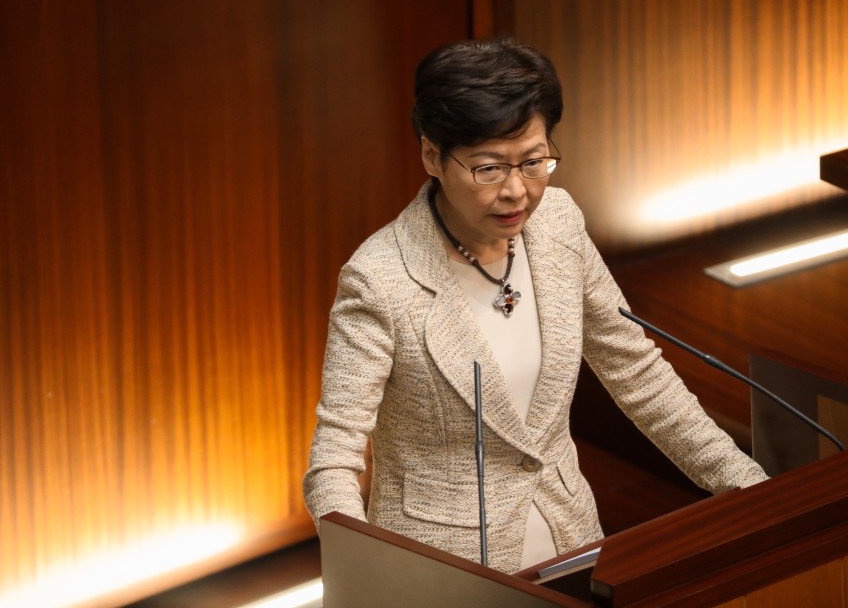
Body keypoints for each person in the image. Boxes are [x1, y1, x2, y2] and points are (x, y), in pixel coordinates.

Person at [302, 38, 768, 573]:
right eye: (489, 169)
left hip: (572, 543)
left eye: (534, 162)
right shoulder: (381, 277)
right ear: (432, 155)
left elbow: (636, 372)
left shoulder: (559, 223)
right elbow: (334, 458)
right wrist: (371, 573)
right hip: (444, 573)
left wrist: (743, 484)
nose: (517, 191)